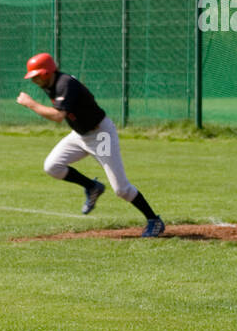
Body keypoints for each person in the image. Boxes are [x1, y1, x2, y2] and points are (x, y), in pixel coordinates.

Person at [17, 52, 165, 237]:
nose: (34, 81)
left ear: (46, 73)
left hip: (100, 135)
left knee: (121, 189)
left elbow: (57, 116)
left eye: (36, 76)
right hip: (79, 135)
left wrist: (30, 104)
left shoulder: (64, 84)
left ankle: (154, 220)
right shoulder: (49, 84)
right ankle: (92, 187)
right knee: (52, 166)